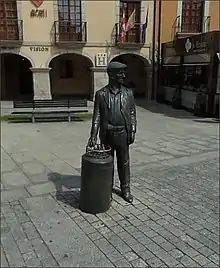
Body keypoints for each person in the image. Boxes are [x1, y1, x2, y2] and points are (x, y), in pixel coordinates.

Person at [87, 61, 137, 203]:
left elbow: (132, 112)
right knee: (107, 163)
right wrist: (93, 135)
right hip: (107, 134)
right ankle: (106, 188)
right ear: (111, 75)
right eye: (120, 73)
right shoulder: (101, 94)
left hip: (123, 133)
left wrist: (132, 130)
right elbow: (97, 115)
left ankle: (125, 189)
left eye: (123, 72)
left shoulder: (128, 93)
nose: (123, 75)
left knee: (124, 162)